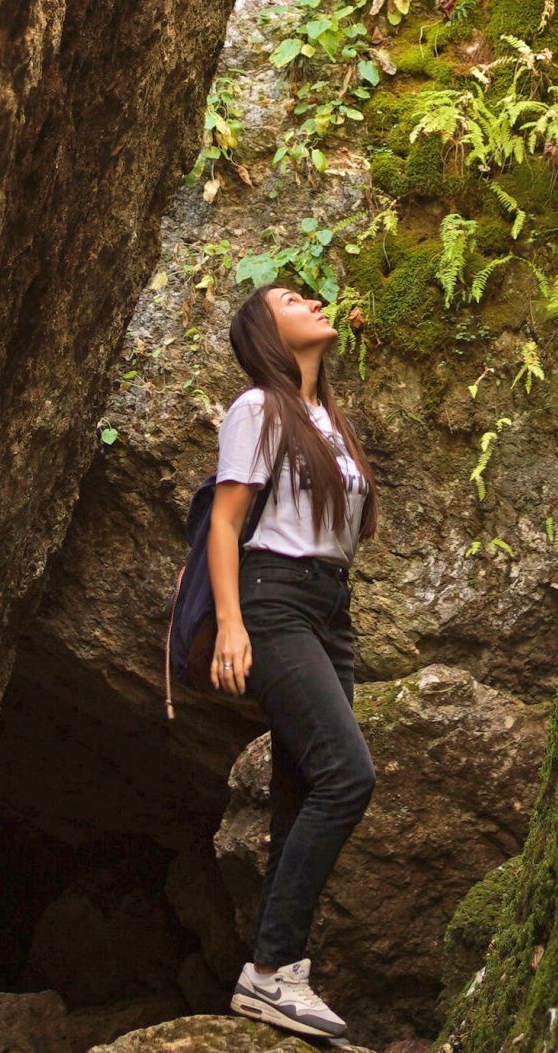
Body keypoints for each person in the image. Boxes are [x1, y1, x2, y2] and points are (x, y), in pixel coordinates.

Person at [209, 282, 378, 1041]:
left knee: (301, 791)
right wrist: (232, 626)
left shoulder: (327, 420)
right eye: (290, 298)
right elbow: (225, 522)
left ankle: (276, 975)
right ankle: (273, 970)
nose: (312, 300)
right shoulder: (258, 408)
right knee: (349, 774)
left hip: (327, 608)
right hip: (274, 602)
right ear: (265, 332)